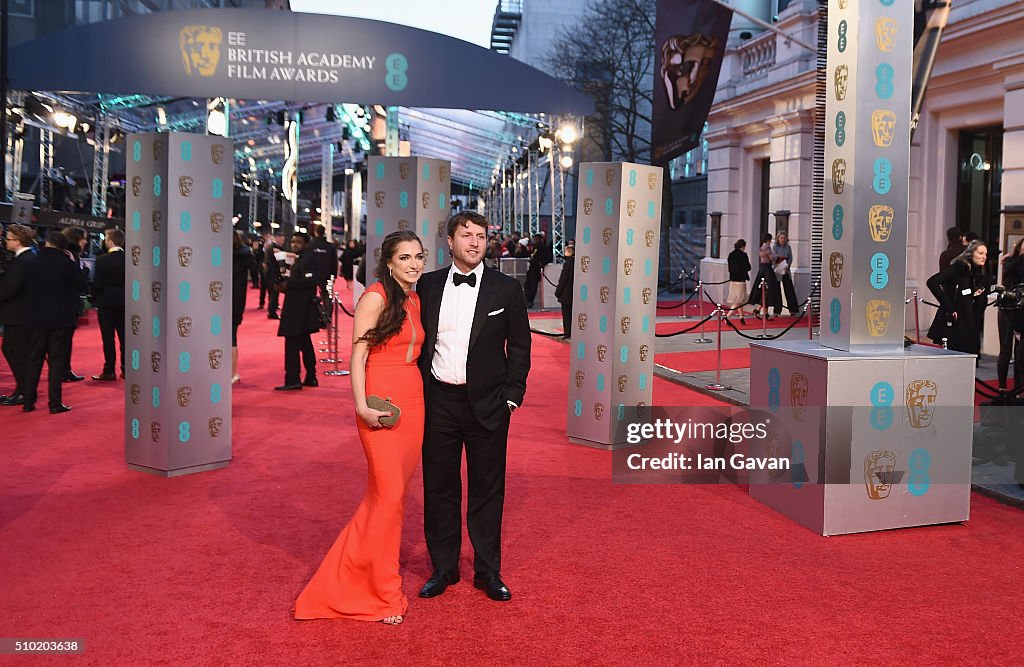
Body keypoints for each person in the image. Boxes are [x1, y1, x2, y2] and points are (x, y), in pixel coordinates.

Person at [294, 230, 426, 625]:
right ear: (388, 262)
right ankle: (384, 592)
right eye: (404, 258)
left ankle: (359, 574)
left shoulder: (414, 298)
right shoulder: (375, 297)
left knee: (391, 499)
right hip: (379, 402)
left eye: (418, 256)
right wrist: (361, 404)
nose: (414, 264)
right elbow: (358, 356)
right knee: (387, 497)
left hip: (414, 402)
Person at [415, 211, 531, 603]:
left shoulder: (505, 289)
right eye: (466, 235)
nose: (475, 242)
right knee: (440, 488)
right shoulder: (427, 286)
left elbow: (520, 346)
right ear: (449, 241)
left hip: (489, 404)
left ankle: (487, 571)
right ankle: (443, 568)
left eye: (480, 236)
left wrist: (513, 395)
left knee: (487, 489)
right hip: (438, 403)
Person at [21, 231, 88, 413]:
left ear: (48, 242)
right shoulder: (67, 264)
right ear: (64, 247)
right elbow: (81, 285)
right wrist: (77, 267)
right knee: (57, 360)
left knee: (34, 359)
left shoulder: (31, 262)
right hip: (61, 318)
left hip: (35, 318)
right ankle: (55, 403)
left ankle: (28, 402)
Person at [274, 232, 322, 391]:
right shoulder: (298, 258)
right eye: (293, 241)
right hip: (298, 306)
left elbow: (312, 281)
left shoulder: (308, 258)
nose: (294, 244)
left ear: (306, 243)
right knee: (304, 342)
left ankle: (293, 379)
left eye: (298, 242)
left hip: (299, 308)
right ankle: (310, 376)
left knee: (294, 344)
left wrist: (290, 285)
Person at [926, 239, 992, 355]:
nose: (984, 257)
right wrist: (949, 307)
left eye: (986, 254)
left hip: (971, 323)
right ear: (971, 254)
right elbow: (932, 282)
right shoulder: (959, 268)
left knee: (971, 358)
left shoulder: (980, 274)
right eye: (981, 253)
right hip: (956, 324)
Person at [0, 224, 37, 406]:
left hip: (18, 315)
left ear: (17, 241)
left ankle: (24, 390)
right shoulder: (30, 257)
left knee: (16, 352)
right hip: (22, 314)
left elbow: (10, 288)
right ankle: (23, 389)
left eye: (8, 239)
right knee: (15, 351)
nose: (6, 242)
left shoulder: (23, 261)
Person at [90, 228, 126, 381]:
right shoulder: (131, 258)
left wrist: (93, 298)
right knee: (126, 338)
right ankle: (127, 369)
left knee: (108, 338)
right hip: (126, 303)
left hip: (106, 303)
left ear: (110, 241)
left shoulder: (102, 260)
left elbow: (97, 284)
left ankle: (109, 370)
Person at [60, 226, 88, 382]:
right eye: (83, 238)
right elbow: (78, 282)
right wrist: (84, 273)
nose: (85, 241)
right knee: (64, 340)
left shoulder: (66, 253)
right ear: (76, 239)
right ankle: (65, 370)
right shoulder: (72, 256)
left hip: (62, 303)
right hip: (68, 304)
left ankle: (63, 369)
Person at [996, 238, 1024, 391]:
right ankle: (1002, 386)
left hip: (1022, 310)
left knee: (1020, 352)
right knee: (1005, 349)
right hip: (1007, 309)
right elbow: (1008, 271)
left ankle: (1018, 386)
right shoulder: (1011, 261)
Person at [231, 231, 256, 384]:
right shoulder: (245, 255)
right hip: (237, 300)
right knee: (232, 336)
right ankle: (233, 373)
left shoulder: (218, 254)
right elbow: (255, 269)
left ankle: (231, 373)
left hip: (219, 300)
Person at [748, 232, 779, 320]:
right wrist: (777, 256)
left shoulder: (761, 247)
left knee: (764, 291)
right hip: (767, 270)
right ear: (768, 239)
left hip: (762, 269)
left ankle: (761, 311)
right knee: (768, 291)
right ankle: (764, 313)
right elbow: (772, 258)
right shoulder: (767, 248)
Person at [772, 232, 800, 316]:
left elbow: (790, 257)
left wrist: (787, 265)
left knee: (789, 289)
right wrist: (779, 262)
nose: (783, 240)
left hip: (786, 269)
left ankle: (793, 309)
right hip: (777, 269)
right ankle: (777, 310)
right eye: (781, 238)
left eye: (784, 238)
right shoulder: (775, 247)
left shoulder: (788, 247)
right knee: (777, 290)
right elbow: (774, 257)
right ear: (778, 238)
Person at [524, 233, 552, 308]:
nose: (535, 240)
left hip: (536, 269)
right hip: (531, 268)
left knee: (533, 286)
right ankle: (528, 300)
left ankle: (530, 301)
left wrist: (542, 263)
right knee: (527, 285)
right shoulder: (535, 247)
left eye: (536, 239)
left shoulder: (543, 248)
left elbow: (549, 257)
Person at [726, 239, 751, 324]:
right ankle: (727, 317)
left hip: (733, 279)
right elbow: (748, 267)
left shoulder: (731, 255)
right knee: (739, 300)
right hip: (741, 280)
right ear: (743, 246)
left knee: (737, 299)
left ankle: (741, 317)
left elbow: (729, 267)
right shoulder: (743, 255)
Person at [554, 242, 575, 338]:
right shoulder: (576, 262)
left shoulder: (568, 264)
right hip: (575, 294)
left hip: (566, 294)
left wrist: (558, 292)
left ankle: (568, 332)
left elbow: (563, 279)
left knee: (567, 315)